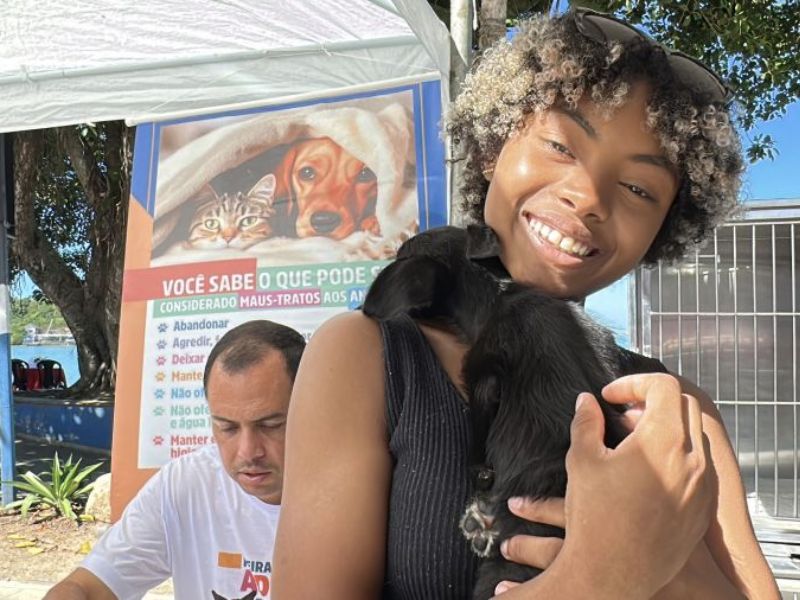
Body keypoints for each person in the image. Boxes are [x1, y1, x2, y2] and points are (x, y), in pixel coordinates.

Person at [272, 8, 779, 600]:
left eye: (640, 188)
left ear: (664, 227)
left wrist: (681, 569)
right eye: (562, 145)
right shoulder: (364, 358)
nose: (588, 196)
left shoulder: (679, 411)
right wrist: (602, 576)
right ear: (492, 146)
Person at [45, 320, 305, 600]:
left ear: (312, 408)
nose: (247, 452)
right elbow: (89, 585)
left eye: (270, 425)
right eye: (227, 427)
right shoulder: (186, 485)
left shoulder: (352, 501)